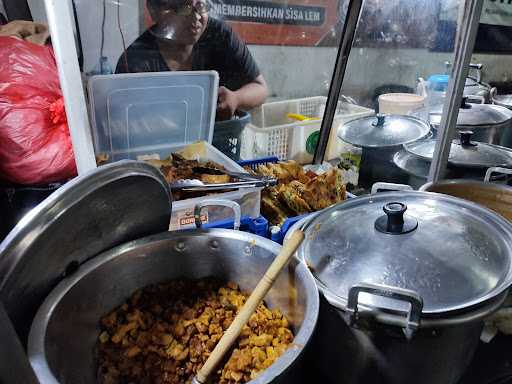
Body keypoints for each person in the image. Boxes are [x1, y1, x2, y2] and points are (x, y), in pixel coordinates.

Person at [116, 0, 268, 120]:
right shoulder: (135, 61)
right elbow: (125, 122)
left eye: (200, 6)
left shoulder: (220, 36)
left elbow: (260, 88)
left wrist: (236, 98)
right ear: (155, 10)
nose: (196, 17)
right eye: (184, 7)